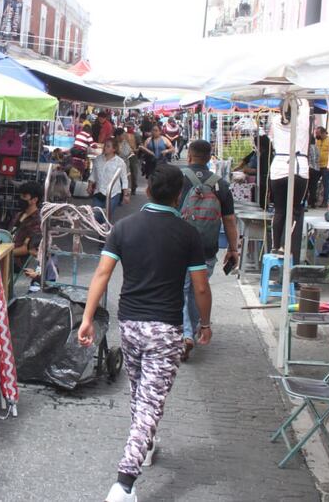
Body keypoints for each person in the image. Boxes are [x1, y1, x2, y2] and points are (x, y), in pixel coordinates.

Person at [78, 164, 212, 502]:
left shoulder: (123, 228)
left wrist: (87, 318)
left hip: (131, 325)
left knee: (141, 395)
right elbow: (200, 289)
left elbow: (101, 275)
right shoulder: (188, 234)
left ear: (148, 190)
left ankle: (146, 445)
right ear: (179, 196)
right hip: (165, 330)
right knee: (150, 402)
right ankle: (123, 483)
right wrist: (204, 324)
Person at [179, 140, 238, 361]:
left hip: (180, 245)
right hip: (207, 248)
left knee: (181, 290)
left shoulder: (179, 179)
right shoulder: (221, 184)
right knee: (197, 291)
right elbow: (230, 220)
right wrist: (233, 249)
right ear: (210, 158)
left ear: (190, 157)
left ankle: (185, 335)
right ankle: (193, 330)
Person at [269, 100, 310, 260]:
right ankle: (286, 246)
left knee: (279, 210)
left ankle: (275, 245)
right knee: (294, 210)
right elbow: (305, 104)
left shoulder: (275, 121)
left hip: (278, 168)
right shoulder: (302, 121)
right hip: (299, 168)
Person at [9, 180, 43, 278]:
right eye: (20, 196)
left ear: (34, 200)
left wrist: (4, 252)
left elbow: (26, 249)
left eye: (24, 197)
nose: (21, 199)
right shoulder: (19, 215)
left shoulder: (37, 220)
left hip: (18, 262)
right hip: (8, 253)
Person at [90, 138, 129, 222]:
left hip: (113, 193)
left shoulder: (120, 162)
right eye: (105, 146)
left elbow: (124, 179)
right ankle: (102, 231)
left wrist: (126, 195)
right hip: (99, 191)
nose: (105, 148)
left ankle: (104, 234)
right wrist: (90, 186)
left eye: (108, 146)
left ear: (114, 149)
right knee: (96, 216)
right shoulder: (98, 159)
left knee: (106, 217)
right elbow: (93, 174)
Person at [117, 127, 140, 196]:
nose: (124, 136)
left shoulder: (135, 135)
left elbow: (128, 151)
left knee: (130, 174)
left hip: (126, 163)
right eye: (123, 135)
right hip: (116, 165)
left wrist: (134, 151)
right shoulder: (113, 142)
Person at [315, 126, 329, 207]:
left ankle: (325, 202)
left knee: (326, 184)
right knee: (313, 183)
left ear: (323, 133)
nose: (317, 135)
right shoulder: (317, 141)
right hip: (317, 165)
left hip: (326, 166)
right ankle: (314, 200)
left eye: (318, 133)